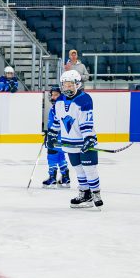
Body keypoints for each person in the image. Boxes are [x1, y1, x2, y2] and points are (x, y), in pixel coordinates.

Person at [51, 70, 102, 209]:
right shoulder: (60, 100)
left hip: (85, 140)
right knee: (79, 169)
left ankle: (96, 193)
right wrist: (52, 133)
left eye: (71, 85)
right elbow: (57, 120)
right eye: (65, 85)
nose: (67, 88)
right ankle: (85, 194)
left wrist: (89, 139)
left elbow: (86, 122)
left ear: (77, 84)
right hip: (70, 142)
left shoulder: (84, 99)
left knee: (89, 168)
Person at [42, 85, 71, 188]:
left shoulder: (58, 106)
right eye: (52, 95)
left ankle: (52, 177)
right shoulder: (62, 105)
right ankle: (65, 177)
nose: (54, 97)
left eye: (56, 94)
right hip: (63, 137)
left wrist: (51, 133)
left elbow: (57, 123)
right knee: (60, 156)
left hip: (56, 136)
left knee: (51, 155)